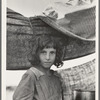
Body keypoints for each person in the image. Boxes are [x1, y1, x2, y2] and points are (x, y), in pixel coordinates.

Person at [13, 35, 65, 100]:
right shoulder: (31, 75)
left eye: (52, 53)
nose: (48, 57)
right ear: (36, 54)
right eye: (43, 52)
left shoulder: (56, 77)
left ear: (57, 54)